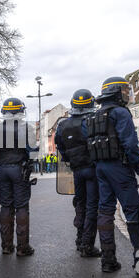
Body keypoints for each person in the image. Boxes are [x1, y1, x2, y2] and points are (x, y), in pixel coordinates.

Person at [87, 77, 139, 274]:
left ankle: (108, 261)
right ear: (116, 92)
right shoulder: (120, 113)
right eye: (125, 90)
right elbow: (130, 145)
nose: (127, 94)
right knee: (134, 214)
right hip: (120, 169)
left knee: (105, 212)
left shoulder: (97, 115)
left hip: (101, 168)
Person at [55, 89, 102, 257]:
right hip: (92, 168)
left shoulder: (63, 125)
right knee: (92, 206)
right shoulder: (93, 121)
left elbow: (60, 146)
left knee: (80, 203)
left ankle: (79, 239)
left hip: (76, 169)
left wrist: (70, 158)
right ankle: (87, 245)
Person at [0, 98, 38, 256]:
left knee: (6, 206)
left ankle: (6, 246)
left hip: (3, 169)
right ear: (20, 111)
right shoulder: (27, 128)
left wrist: (2, 162)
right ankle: (22, 247)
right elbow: (33, 151)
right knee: (21, 207)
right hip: (19, 169)